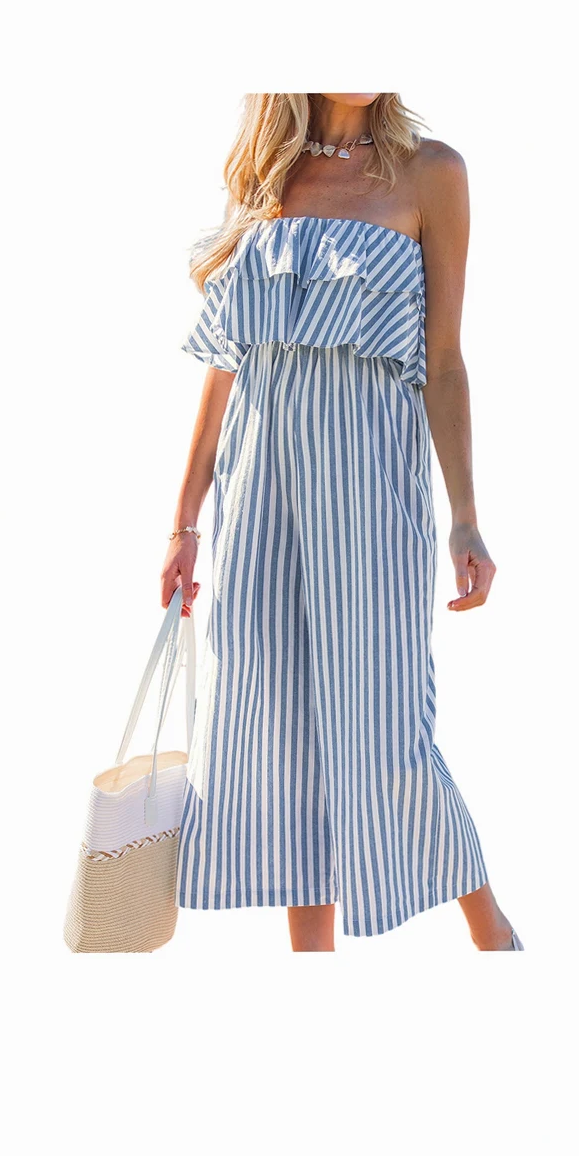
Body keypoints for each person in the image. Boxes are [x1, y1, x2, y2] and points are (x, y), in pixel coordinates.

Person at [165, 93, 523, 952]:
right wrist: (185, 522)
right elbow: (227, 363)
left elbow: (444, 361)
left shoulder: (431, 174)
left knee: (387, 731)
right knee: (278, 731)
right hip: (259, 498)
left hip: (372, 493)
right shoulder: (264, 176)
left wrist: (466, 517)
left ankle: (495, 940)